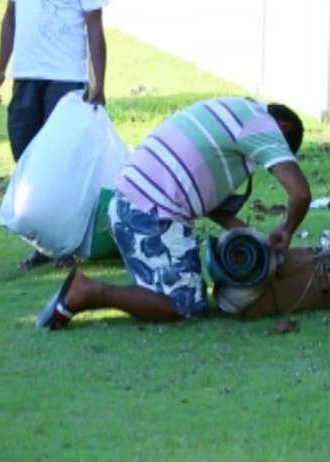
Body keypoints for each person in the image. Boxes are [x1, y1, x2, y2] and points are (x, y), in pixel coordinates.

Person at [35, 97, 312, 330]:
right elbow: (300, 193)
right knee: (185, 305)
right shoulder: (261, 125)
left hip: (130, 203)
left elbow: (195, 178)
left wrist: (238, 228)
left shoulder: (235, 109)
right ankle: (90, 292)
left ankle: (137, 290)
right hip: (150, 213)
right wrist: (286, 229)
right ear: (283, 128)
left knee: (176, 292)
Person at [0, 0, 107, 272]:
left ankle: (69, 243)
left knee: (59, 164)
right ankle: (42, 243)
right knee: (26, 158)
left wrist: (99, 82)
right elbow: (10, 16)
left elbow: (94, 24)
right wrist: (0, 69)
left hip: (64, 78)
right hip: (26, 75)